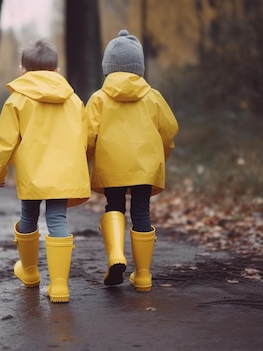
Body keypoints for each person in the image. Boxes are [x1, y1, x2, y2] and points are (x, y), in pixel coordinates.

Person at [0, 39, 90, 303]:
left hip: (33, 174)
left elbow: (5, 142)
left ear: (23, 70)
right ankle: (59, 286)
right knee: (57, 219)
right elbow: (84, 138)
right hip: (63, 174)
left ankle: (30, 272)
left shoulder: (17, 100)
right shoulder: (74, 100)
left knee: (29, 217)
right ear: (57, 71)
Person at [86, 30, 179, 292]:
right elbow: (169, 131)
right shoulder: (153, 97)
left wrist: (85, 162)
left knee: (114, 206)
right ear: (139, 67)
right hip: (145, 169)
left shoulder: (98, 99)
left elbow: (87, 136)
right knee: (141, 211)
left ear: (108, 67)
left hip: (110, 166)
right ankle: (144, 276)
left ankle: (116, 256)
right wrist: (160, 159)